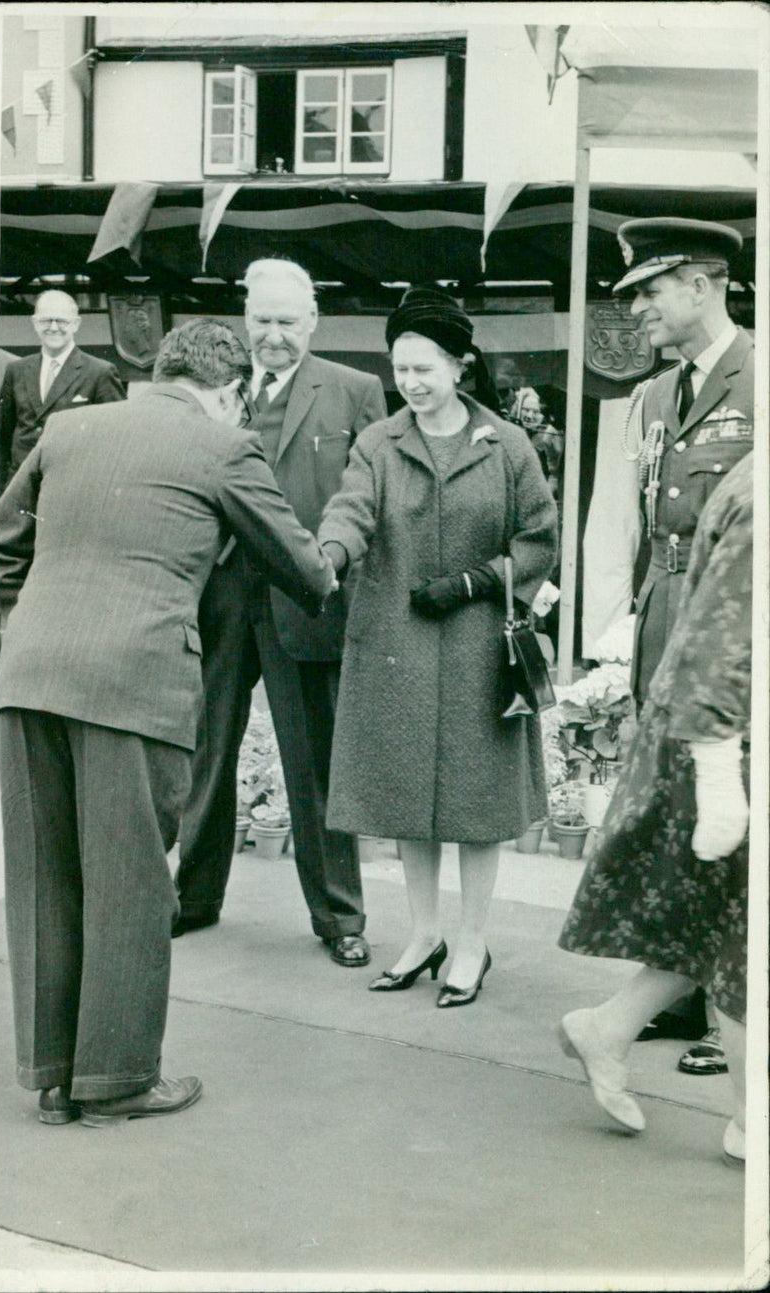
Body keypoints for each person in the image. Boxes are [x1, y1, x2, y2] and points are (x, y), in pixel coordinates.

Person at [0, 319, 335, 1127]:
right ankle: (115, 1081)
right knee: (130, 883)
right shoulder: (223, 448)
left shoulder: (70, 428)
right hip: (135, 683)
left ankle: (51, 1075)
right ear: (229, 392)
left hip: (30, 676)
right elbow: (305, 569)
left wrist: (29, 623)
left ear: (160, 369)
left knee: (45, 877)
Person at [318, 287, 558, 1005]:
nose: (412, 384)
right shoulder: (379, 443)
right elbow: (351, 510)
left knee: (475, 808)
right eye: (402, 369)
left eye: (425, 368)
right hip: (397, 642)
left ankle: (473, 943)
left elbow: (539, 540)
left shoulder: (508, 445)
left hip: (481, 646)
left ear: (462, 365)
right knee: (405, 800)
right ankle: (423, 934)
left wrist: (477, 580)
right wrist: (328, 555)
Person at [175, 259, 387, 966]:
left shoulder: (357, 391)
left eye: (286, 322)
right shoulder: (211, 391)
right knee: (206, 752)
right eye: (261, 320)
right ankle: (194, 897)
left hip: (306, 601)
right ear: (245, 318)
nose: (272, 336)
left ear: (313, 321)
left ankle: (340, 917)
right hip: (219, 594)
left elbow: (368, 498)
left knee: (315, 762)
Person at [557, 451, 753, 1166]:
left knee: (719, 918)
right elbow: (723, 639)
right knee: (744, 930)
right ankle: (749, 1120)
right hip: (725, 735)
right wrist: (720, 774)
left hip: (722, 730)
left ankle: (606, 1030)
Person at [615, 217, 754, 1068]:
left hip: (735, 623)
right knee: (679, 810)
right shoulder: (661, 391)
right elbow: (651, 517)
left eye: (651, 291)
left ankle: (726, 1017)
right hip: (669, 607)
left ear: (702, 285)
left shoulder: (760, 374)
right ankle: (682, 987)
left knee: (730, 807)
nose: (637, 312)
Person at [0, 290, 126, 496]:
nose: (54, 327)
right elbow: (3, 437)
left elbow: (116, 440)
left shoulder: (99, 372)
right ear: (35, 323)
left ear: (76, 323)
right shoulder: (16, 370)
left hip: (72, 489)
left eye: (62, 321)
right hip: (18, 489)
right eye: (46, 320)